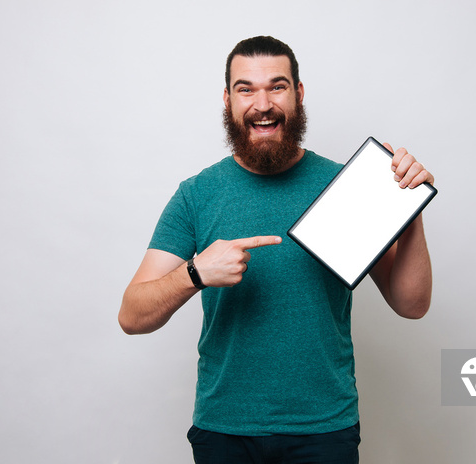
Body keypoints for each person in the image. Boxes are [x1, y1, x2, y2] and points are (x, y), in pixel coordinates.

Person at [119, 36, 434, 464]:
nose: (262, 103)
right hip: (224, 430)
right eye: (246, 89)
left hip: (324, 430)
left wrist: (409, 208)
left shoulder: (345, 189)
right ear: (227, 99)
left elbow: (411, 304)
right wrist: (195, 272)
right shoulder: (196, 195)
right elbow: (132, 315)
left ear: (299, 94)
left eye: (278, 86)